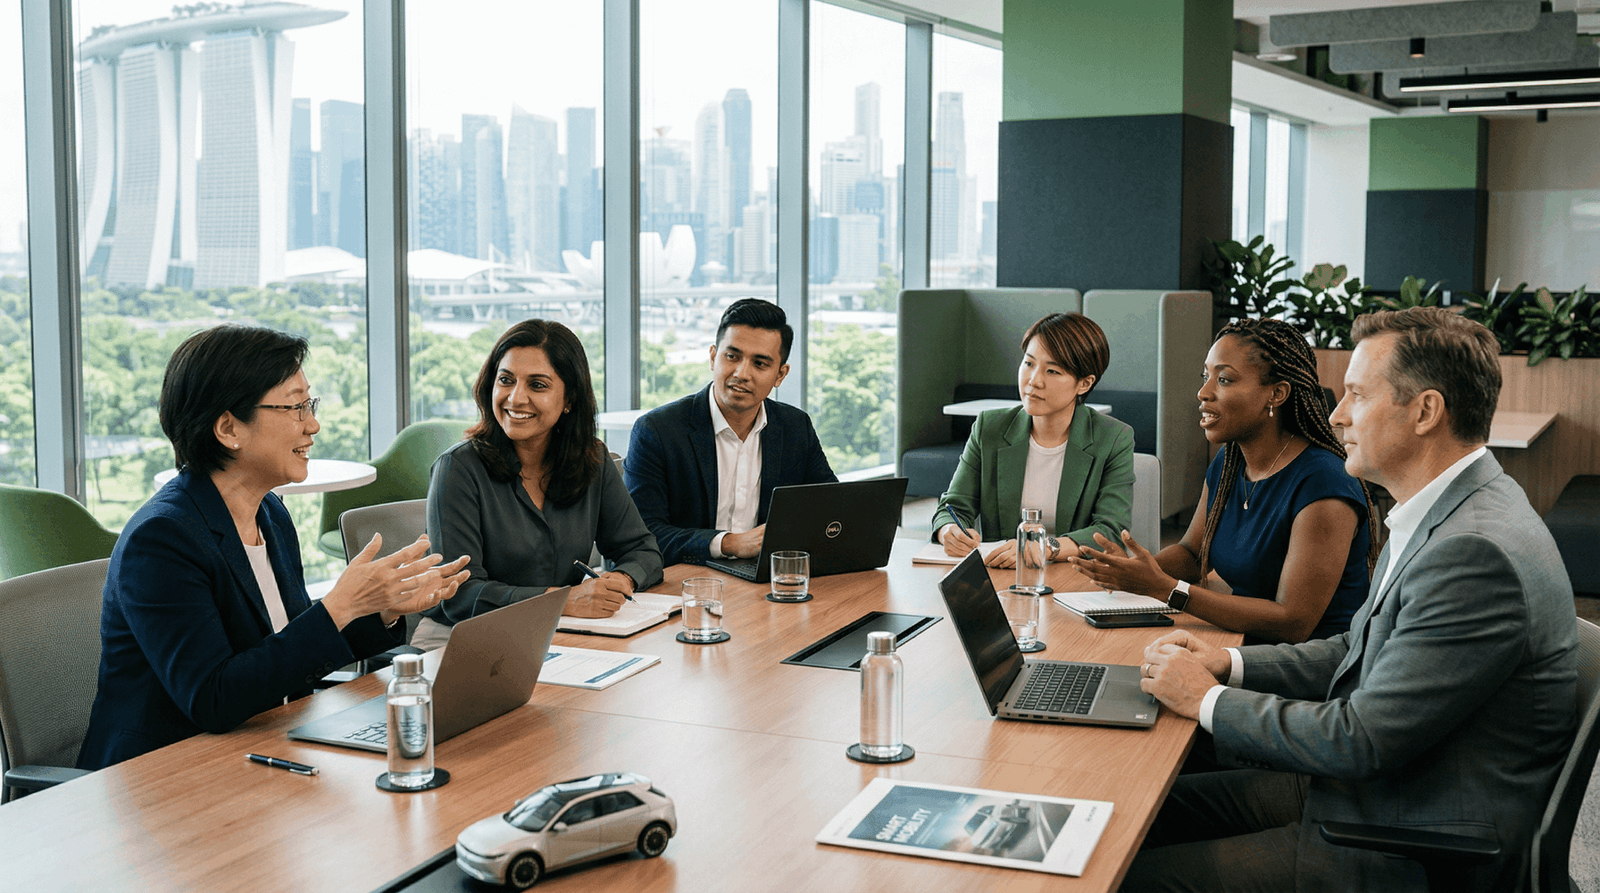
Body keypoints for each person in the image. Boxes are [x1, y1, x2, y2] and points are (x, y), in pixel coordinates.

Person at [1120, 307, 1578, 893]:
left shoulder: (1471, 554)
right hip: (1371, 791)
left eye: (1357, 395)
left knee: (1127, 872)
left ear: (1426, 411)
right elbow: (1353, 647)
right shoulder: (1444, 510)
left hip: (1403, 837)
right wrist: (1227, 663)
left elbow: (1358, 739)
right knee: (1132, 809)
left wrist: (1205, 698)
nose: (1336, 415)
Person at [78, 325, 470, 771]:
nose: (313, 424)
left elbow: (289, 646)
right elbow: (213, 698)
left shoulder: (270, 514)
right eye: (295, 406)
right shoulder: (161, 540)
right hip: (162, 774)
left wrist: (378, 608)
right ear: (229, 428)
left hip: (260, 746)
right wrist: (340, 607)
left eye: (310, 404)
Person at [1072, 318, 1376, 643]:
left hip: (1309, 667)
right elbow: (1192, 553)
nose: (1204, 392)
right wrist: (1137, 570)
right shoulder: (1230, 462)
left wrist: (1166, 588)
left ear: (1277, 394)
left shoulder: (1324, 484)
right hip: (1240, 641)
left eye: (1225, 379)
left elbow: (1293, 621)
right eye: (1206, 376)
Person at [414, 319, 663, 650]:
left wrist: (620, 579)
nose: (516, 398)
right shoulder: (458, 469)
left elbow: (643, 550)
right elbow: (458, 593)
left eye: (538, 385)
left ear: (569, 398)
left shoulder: (594, 460)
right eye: (506, 380)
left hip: (562, 635)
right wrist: (560, 601)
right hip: (462, 637)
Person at [624, 298, 836, 567]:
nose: (741, 373)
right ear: (713, 357)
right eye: (732, 356)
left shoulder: (795, 427)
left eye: (760, 364)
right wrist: (729, 543)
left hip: (764, 582)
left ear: (780, 375)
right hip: (689, 584)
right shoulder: (657, 431)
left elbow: (830, 510)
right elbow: (640, 536)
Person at [931, 312, 1135, 569]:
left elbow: (1110, 531)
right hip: (1002, 577)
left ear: (1084, 383)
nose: (1033, 381)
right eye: (1028, 364)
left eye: (1052, 370)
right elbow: (953, 506)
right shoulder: (989, 428)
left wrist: (1047, 547)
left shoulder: (1113, 438)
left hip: (1074, 575)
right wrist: (949, 530)